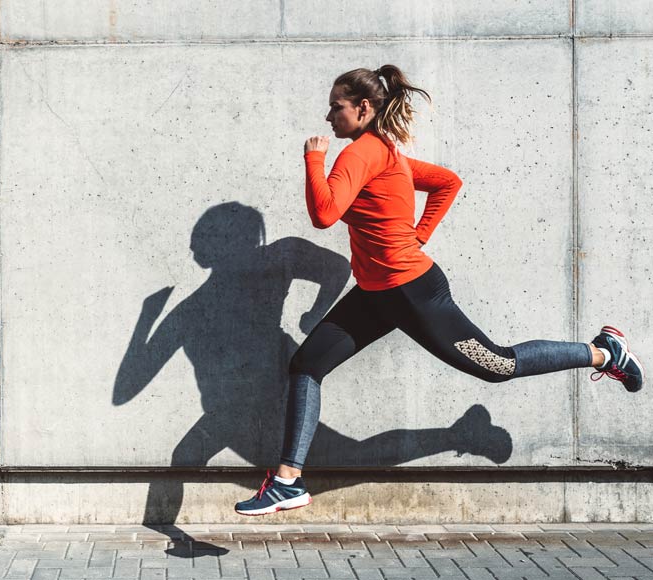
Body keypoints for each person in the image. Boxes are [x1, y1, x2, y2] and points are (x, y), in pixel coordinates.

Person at [234, 64, 645, 516]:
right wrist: (419, 234)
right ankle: (287, 482)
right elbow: (447, 182)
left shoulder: (360, 154)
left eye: (336, 107)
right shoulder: (384, 153)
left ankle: (604, 352)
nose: (329, 117)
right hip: (376, 294)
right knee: (307, 365)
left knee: (498, 365)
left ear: (363, 108)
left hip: (413, 294)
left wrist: (314, 159)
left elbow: (324, 214)